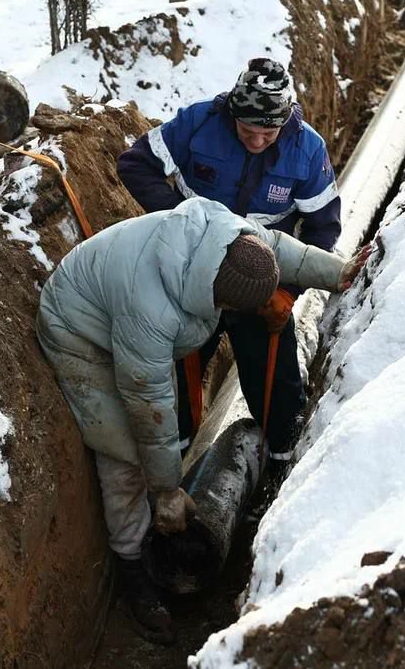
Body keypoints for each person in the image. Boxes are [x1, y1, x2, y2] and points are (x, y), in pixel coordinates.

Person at [37, 197, 367, 644]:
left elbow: (283, 252)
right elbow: (147, 403)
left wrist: (339, 272)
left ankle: (161, 510)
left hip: (119, 313)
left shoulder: (235, 241)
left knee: (155, 442)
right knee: (123, 454)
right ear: (218, 297)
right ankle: (133, 565)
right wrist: (167, 489)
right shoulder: (150, 310)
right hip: (79, 332)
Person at [116, 57, 341, 474]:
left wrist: (288, 292)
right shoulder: (200, 122)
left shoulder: (306, 149)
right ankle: (174, 465)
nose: (256, 141)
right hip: (191, 276)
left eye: (267, 133)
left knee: (277, 383)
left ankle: (278, 469)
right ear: (231, 115)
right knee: (177, 374)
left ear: (286, 120)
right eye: (246, 131)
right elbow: (134, 163)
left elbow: (322, 229)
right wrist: (184, 221)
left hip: (259, 278)